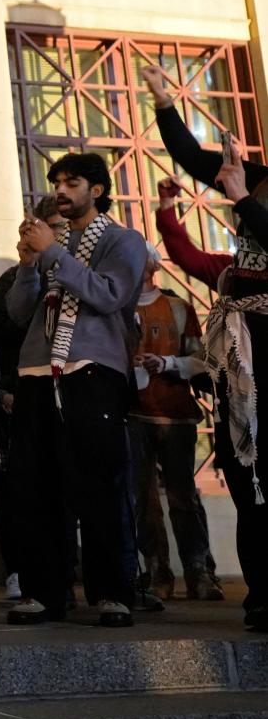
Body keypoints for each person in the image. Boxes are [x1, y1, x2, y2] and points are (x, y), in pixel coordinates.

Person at [144, 63, 268, 630]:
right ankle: (262, 595)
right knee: (246, 478)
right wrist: (165, 101)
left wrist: (243, 200)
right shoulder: (256, 178)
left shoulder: (251, 194)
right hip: (241, 360)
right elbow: (196, 161)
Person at [6, 152, 147, 628]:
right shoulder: (52, 243)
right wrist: (28, 264)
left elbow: (109, 295)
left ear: (98, 191)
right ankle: (45, 593)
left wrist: (51, 253)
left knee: (99, 486)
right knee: (36, 486)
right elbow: (20, 312)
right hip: (36, 374)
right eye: (57, 183)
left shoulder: (124, 240)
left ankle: (111, 592)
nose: (61, 191)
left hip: (90, 371)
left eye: (72, 183)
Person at [0, 195, 65, 601]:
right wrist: (5, 390)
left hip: (71, 394)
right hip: (18, 396)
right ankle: (23, 571)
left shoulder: (82, 273)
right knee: (18, 495)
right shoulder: (14, 279)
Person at [129, 242, 222, 602]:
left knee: (184, 497)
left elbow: (201, 359)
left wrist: (167, 364)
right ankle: (157, 571)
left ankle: (199, 570)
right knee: (143, 499)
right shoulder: (117, 310)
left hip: (176, 413)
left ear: (153, 266)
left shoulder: (178, 308)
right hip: (134, 412)